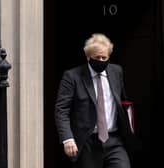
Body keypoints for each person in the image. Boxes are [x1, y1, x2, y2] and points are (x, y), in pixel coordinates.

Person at [55, 33, 138, 168]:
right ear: (88, 57)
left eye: (104, 57)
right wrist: (67, 139)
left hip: (114, 140)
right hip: (88, 142)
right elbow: (61, 110)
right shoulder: (72, 76)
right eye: (96, 57)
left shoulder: (116, 72)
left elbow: (123, 101)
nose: (100, 60)